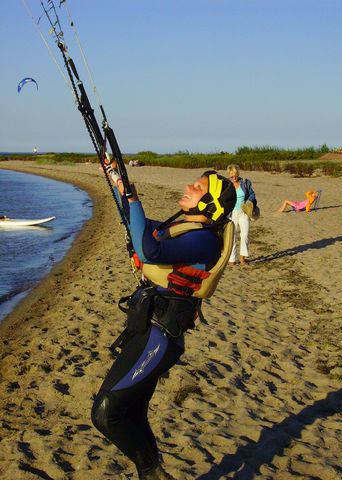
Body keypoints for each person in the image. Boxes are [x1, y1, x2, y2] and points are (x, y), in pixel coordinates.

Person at [91, 168, 236, 480]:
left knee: (106, 413)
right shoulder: (186, 231)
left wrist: (134, 196)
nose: (188, 186)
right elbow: (141, 230)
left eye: (197, 187)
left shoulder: (203, 242)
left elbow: (149, 249)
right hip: (149, 329)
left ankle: (151, 471)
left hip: (159, 338)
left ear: (210, 204)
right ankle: (153, 472)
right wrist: (120, 183)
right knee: (130, 412)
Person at [226, 164, 257, 266]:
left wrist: (249, 201)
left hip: (244, 212)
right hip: (231, 214)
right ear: (228, 175)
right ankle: (232, 259)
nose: (234, 178)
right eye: (231, 176)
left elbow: (252, 194)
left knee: (245, 235)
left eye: (235, 175)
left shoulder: (245, 183)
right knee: (232, 236)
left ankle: (242, 258)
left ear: (238, 174)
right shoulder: (226, 184)